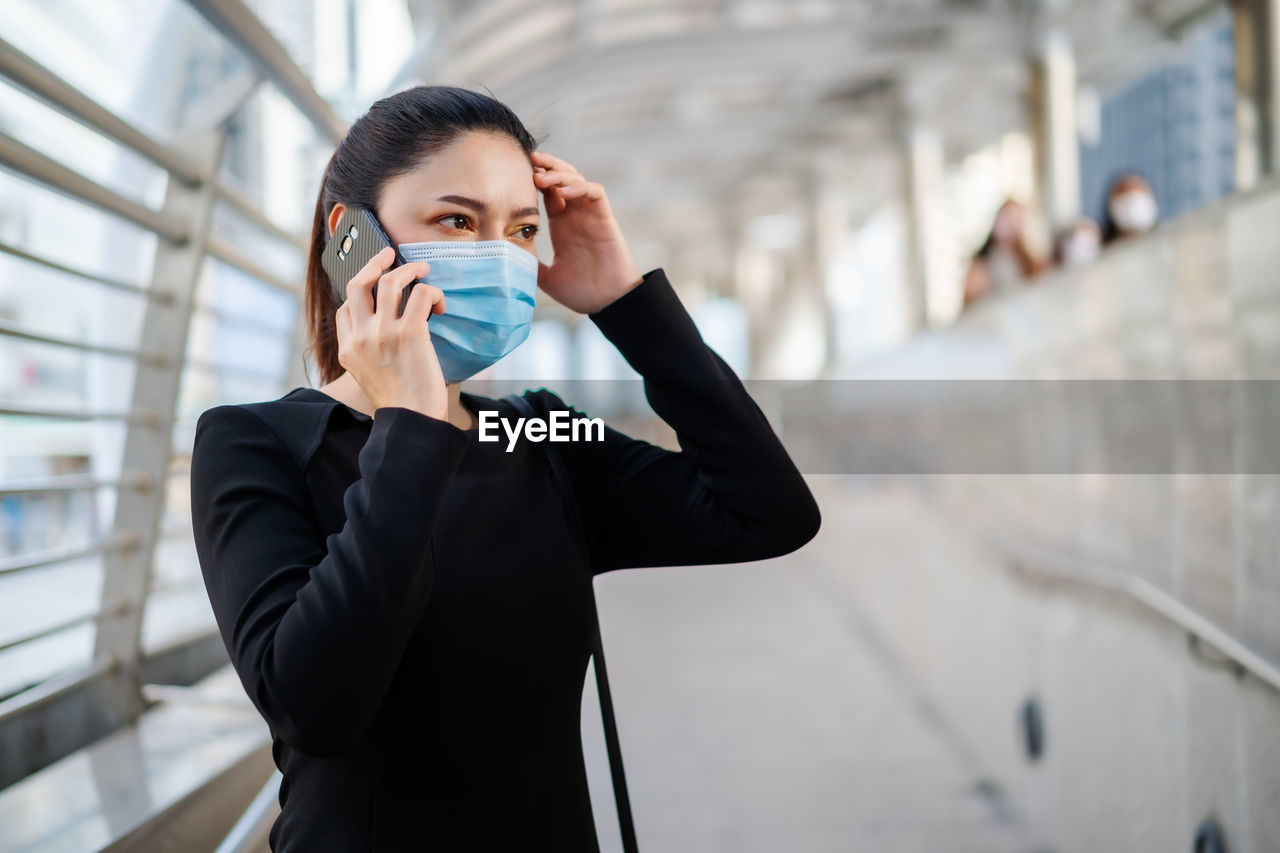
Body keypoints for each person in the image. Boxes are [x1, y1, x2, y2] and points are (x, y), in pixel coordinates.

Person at [188, 85, 820, 852]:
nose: (494, 254)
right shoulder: (255, 445)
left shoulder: (541, 438)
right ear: (350, 239)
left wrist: (625, 302)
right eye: (457, 220)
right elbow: (315, 704)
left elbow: (771, 511)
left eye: (521, 229)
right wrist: (411, 424)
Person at [961, 198, 1046, 308]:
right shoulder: (982, 262)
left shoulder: (1029, 260)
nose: (1010, 225)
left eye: (1015, 219)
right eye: (1006, 218)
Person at [1101, 171, 1159, 244]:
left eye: (1139, 189)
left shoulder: (1170, 243)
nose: (1133, 197)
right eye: (1123, 192)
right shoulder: (1102, 251)